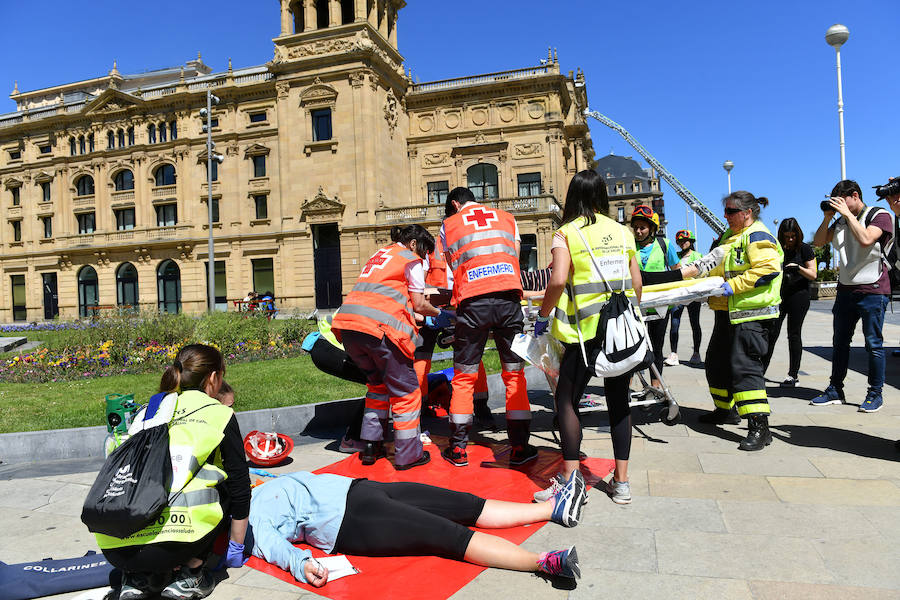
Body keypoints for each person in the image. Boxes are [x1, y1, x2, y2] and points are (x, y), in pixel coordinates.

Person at [95, 344, 251, 600]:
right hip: (174, 547)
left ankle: (136, 579)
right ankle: (191, 574)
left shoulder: (148, 409)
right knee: (222, 484)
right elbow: (240, 485)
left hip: (117, 549)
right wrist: (236, 545)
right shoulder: (219, 414)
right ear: (214, 378)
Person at [247, 469, 586, 586]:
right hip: (354, 522)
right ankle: (544, 562)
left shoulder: (257, 487)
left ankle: (552, 508)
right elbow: (275, 548)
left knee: (465, 505)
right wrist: (302, 564)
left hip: (364, 490)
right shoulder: (248, 521)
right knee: (449, 536)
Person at [533, 170, 643, 505]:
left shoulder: (566, 233)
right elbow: (636, 283)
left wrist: (542, 315)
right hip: (619, 331)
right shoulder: (623, 231)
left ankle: (569, 481)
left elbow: (557, 280)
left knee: (567, 400)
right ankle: (621, 483)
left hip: (582, 333)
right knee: (619, 402)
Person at [331, 224, 450, 470]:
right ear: (415, 244)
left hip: (350, 329)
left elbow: (385, 295)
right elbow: (419, 303)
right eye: (426, 253)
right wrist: (440, 314)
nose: (426, 260)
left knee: (377, 388)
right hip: (379, 331)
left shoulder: (379, 255)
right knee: (407, 393)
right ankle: (409, 455)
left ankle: (370, 448)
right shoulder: (410, 259)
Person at [440, 187, 532, 467]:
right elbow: (514, 256)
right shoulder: (507, 218)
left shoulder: (450, 224)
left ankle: (458, 449)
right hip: (508, 300)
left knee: (464, 376)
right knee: (514, 374)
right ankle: (518, 447)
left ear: (455, 203)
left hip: (472, 302)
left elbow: (450, 266)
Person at [698, 191, 783, 452]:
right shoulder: (728, 236)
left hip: (752, 314)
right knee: (715, 363)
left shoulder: (758, 236)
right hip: (726, 312)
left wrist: (732, 286)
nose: (726, 216)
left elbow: (768, 269)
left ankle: (760, 427)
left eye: (731, 211)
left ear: (747, 213)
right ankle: (725, 411)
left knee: (745, 370)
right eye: (726, 211)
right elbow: (717, 265)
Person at [811, 180, 894, 412]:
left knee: (873, 344)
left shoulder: (879, 215)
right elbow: (818, 243)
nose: (837, 205)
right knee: (839, 343)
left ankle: (874, 393)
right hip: (846, 290)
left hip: (873, 289)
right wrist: (828, 217)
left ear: (855, 196)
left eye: (841, 200)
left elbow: (867, 239)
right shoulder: (840, 220)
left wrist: (847, 215)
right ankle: (835, 389)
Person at [631, 205, 682, 389]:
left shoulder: (664, 245)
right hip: (635, 306)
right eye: (635, 227)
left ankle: (655, 386)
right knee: (632, 347)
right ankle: (628, 386)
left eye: (642, 228)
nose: (638, 231)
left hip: (660, 306)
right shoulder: (629, 245)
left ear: (652, 228)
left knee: (656, 347)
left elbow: (677, 272)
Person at [762, 219, 817, 386]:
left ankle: (793, 375)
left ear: (798, 235)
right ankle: (760, 372)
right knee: (771, 333)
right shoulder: (777, 248)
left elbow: (813, 274)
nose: (790, 239)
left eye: (793, 236)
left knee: (794, 334)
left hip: (799, 296)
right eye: (787, 236)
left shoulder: (805, 249)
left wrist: (798, 268)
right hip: (780, 295)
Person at [666, 230, 704, 366]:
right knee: (674, 323)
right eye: (680, 241)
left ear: (691, 242)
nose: (682, 243)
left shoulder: (698, 255)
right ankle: (673, 354)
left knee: (695, 323)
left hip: (693, 294)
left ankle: (696, 353)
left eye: (685, 241)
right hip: (678, 294)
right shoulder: (675, 256)